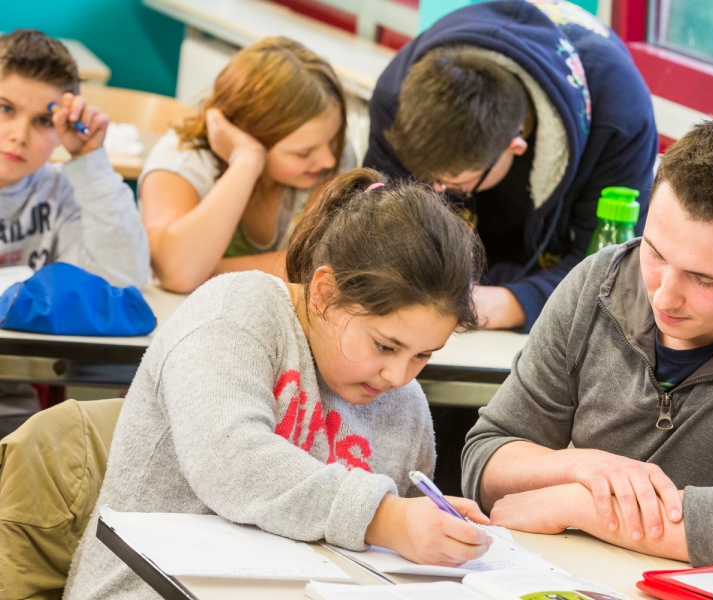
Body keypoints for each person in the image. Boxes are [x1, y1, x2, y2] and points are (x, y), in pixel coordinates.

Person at [64, 168, 492, 597]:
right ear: (324, 292)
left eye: (423, 355)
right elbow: (229, 461)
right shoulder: (234, 312)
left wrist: (423, 525)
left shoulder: (405, 403)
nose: (399, 376)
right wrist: (384, 518)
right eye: (385, 346)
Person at [461, 117, 713, 573]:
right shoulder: (597, 281)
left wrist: (581, 505)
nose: (664, 295)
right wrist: (588, 468)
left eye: (704, 279)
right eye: (656, 253)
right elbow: (486, 459)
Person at [364, 0, 658, 332]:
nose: (437, 194)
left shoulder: (620, 118)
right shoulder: (396, 95)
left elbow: (610, 272)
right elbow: (375, 224)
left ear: (515, 146)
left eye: (453, 184)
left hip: (543, 271)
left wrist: (508, 303)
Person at [0, 30, 149, 438]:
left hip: (15, 412)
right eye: (5, 108)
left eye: (43, 121)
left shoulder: (64, 189)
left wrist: (90, 161)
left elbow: (121, 284)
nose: (18, 134)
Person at [139, 37, 356, 294]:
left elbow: (322, 265)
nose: (329, 160)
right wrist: (246, 160)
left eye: (332, 142)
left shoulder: (331, 158)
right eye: (302, 153)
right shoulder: (183, 156)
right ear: (250, 133)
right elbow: (178, 273)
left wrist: (207, 271)